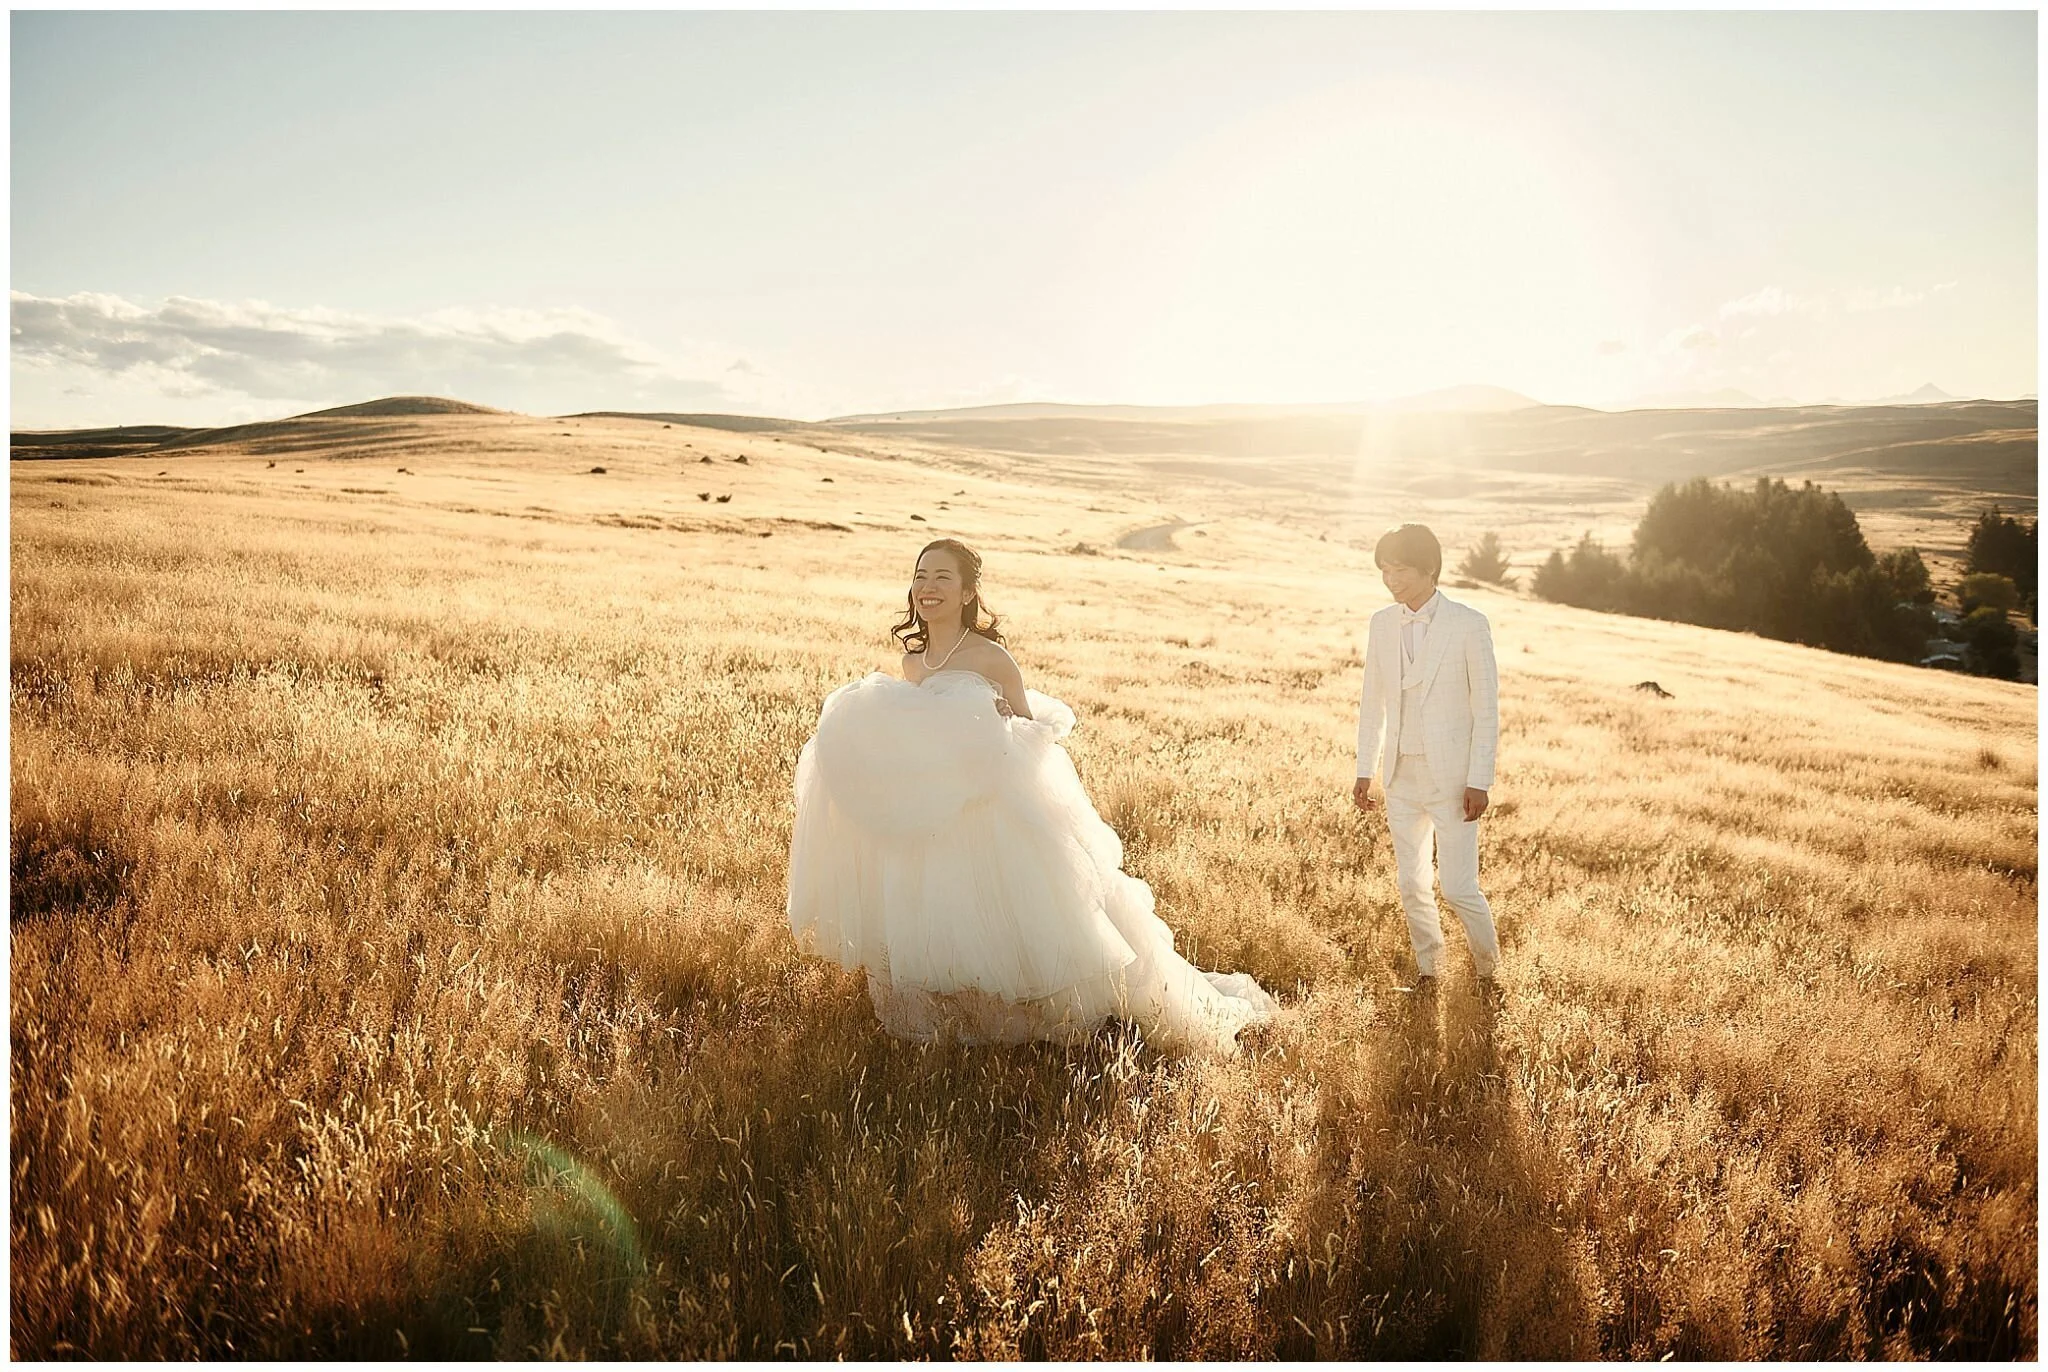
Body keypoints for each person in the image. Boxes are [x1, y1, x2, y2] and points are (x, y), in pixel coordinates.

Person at [787, 538, 1276, 1055]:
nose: (928, 588)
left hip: (994, 804)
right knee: (942, 903)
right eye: (921, 576)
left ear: (967, 592)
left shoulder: (990, 657)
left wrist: (997, 731)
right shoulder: (914, 662)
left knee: (1015, 911)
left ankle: (1047, 1011)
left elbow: (1030, 728)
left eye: (942, 578)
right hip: (942, 808)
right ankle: (957, 1004)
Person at [1352, 523, 1503, 996]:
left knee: (1458, 887)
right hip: (1401, 777)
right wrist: (1364, 770)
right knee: (1411, 883)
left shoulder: (1468, 623)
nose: (1391, 580)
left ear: (1429, 569)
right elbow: (1372, 702)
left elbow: (1486, 708)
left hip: (1454, 780)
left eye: (1400, 569)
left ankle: (1488, 972)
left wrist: (1480, 779)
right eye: (1385, 570)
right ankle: (1430, 972)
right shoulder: (1381, 623)